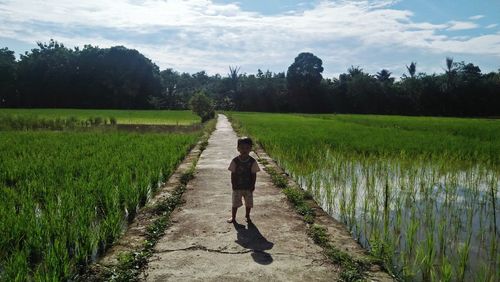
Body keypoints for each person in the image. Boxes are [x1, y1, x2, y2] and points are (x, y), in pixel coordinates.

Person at [227, 137, 260, 223]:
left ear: (250, 149)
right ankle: (233, 217)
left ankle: (247, 216)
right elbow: (233, 174)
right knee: (235, 203)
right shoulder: (235, 161)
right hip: (237, 186)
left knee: (248, 203)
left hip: (248, 187)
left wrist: (253, 185)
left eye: (247, 148)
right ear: (238, 148)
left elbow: (254, 174)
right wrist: (233, 184)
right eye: (242, 148)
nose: (244, 150)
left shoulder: (252, 162)